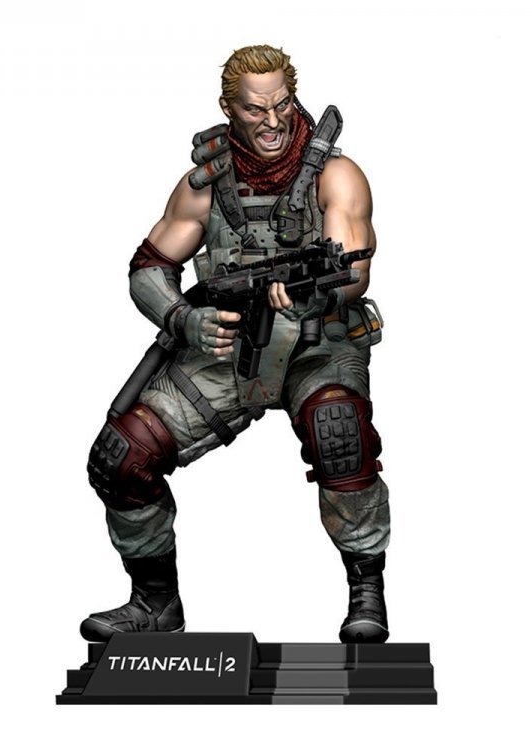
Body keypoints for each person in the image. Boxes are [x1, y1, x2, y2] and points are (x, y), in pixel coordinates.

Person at [82, 45, 390, 644]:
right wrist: (182, 319)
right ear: (229, 108)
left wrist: (310, 293)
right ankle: (155, 605)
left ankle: (367, 591)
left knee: (338, 432)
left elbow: (352, 272)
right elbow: (148, 268)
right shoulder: (206, 183)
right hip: (229, 345)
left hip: (317, 343)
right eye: (255, 111)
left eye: (283, 105)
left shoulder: (336, 174)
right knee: (121, 458)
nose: (273, 123)